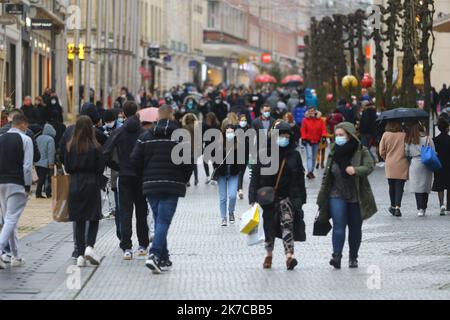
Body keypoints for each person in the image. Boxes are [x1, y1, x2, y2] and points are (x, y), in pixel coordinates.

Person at [131, 105, 193, 274]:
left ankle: (164, 257)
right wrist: (183, 180)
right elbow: (189, 162)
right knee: (163, 221)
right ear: (172, 116)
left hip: (151, 185)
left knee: (160, 220)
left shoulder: (145, 137)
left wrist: (145, 176)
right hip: (172, 185)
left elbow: (134, 160)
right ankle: (154, 254)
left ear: (157, 117)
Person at [317, 122, 377, 269]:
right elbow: (327, 175)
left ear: (349, 136)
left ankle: (353, 257)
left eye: (341, 135)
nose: (338, 138)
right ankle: (336, 256)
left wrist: (355, 170)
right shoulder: (333, 152)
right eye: (336, 135)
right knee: (338, 225)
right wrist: (321, 196)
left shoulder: (361, 150)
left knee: (355, 227)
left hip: (356, 194)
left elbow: (370, 166)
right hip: (336, 193)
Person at [249, 121, 306, 271]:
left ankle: (289, 256)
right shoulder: (264, 153)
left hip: (287, 197)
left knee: (288, 225)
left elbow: (300, 176)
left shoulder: (294, 155)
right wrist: (252, 199)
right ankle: (269, 254)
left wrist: (302, 197)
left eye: (286, 136)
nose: (284, 139)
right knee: (269, 227)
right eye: (281, 136)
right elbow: (254, 176)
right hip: (267, 197)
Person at [103, 102, 149, 260]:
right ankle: (143, 244)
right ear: (136, 111)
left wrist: (117, 166)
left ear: (123, 113)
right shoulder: (144, 132)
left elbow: (105, 153)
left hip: (124, 175)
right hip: (140, 176)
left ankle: (127, 247)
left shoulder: (118, 132)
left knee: (125, 212)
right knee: (142, 211)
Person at [64, 116, 105, 267]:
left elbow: (67, 167)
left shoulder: (70, 146)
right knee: (93, 217)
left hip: (75, 183)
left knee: (79, 219)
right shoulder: (96, 147)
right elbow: (100, 168)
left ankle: (80, 254)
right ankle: (90, 246)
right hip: (92, 183)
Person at [0, 114, 34, 270]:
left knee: (9, 219)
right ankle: (1, 249)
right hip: (16, 183)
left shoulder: (1, 138)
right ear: (23, 125)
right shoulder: (26, 140)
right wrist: (27, 187)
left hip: (1, 183)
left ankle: (15, 255)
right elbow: (27, 167)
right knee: (11, 219)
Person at [213, 124, 242, 226]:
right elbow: (213, 158)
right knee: (223, 198)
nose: (229, 134)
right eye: (228, 132)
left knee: (233, 196)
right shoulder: (219, 144)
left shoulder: (238, 144)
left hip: (233, 173)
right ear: (224, 133)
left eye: (231, 132)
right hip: (222, 174)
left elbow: (242, 159)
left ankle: (231, 212)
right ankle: (223, 217)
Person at [379, 121, 409, 217]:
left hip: (390, 163)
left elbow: (381, 151)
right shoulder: (404, 135)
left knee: (391, 186)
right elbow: (407, 150)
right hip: (402, 163)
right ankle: (397, 207)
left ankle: (392, 205)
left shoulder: (385, 135)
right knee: (400, 186)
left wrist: (386, 158)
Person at [405, 122, 435, 217]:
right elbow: (433, 151)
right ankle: (424, 207)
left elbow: (406, 152)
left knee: (417, 187)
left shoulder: (410, 139)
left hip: (415, 163)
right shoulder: (427, 139)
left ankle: (420, 208)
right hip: (426, 163)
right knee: (425, 186)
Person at [301, 108, 327, 179]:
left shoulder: (320, 120)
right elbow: (303, 130)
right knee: (309, 156)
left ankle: (311, 171)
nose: (311, 112)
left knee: (314, 157)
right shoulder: (305, 120)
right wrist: (303, 138)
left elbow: (323, 129)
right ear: (308, 112)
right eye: (310, 111)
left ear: (315, 112)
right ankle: (309, 171)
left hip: (316, 141)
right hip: (308, 141)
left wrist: (324, 136)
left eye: (312, 111)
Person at [432, 118, 450, 216]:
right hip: (449, 166)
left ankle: (441, 204)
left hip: (439, 165)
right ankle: (449, 207)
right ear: (447, 128)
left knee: (440, 187)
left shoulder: (435, 140)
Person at [35, 123, 56, 199]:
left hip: (37, 162)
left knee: (41, 179)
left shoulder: (38, 137)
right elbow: (51, 152)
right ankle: (47, 193)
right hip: (45, 163)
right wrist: (51, 163)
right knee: (47, 179)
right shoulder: (50, 139)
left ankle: (39, 193)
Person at [182, 113, 200, 187]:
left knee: (187, 165)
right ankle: (196, 179)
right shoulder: (197, 128)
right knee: (195, 165)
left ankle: (187, 180)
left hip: (186, 148)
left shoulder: (184, 127)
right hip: (195, 148)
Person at [202, 113, 220, 184]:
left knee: (214, 162)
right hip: (209, 145)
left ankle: (213, 177)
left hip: (213, 145)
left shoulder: (215, 125)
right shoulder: (207, 125)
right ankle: (209, 176)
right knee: (207, 161)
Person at [237, 114, 251, 199]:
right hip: (237, 154)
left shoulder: (249, 129)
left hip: (246, 153)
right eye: (242, 120)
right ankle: (240, 189)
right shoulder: (235, 129)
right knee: (239, 172)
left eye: (245, 120)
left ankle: (239, 189)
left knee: (242, 171)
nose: (243, 122)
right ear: (239, 121)